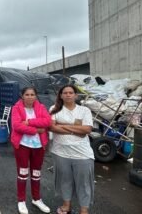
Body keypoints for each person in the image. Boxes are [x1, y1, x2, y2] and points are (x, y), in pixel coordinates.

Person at [49, 84, 94, 214]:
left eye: (70, 92)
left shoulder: (84, 110)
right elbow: (52, 128)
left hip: (82, 153)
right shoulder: (54, 109)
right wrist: (76, 130)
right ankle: (66, 205)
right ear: (61, 95)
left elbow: (87, 130)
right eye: (65, 92)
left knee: (84, 183)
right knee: (65, 180)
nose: (68, 94)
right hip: (60, 152)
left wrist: (62, 125)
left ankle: (84, 210)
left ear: (76, 95)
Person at [11, 86, 52, 214]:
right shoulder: (16, 108)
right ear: (22, 96)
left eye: (32, 94)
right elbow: (17, 126)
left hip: (39, 146)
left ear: (35, 96)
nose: (30, 97)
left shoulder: (41, 107)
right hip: (22, 145)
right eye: (27, 94)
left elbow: (47, 122)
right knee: (22, 173)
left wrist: (28, 122)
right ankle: (21, 200)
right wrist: (36, 130)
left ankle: (36, 198)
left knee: (36, 174)